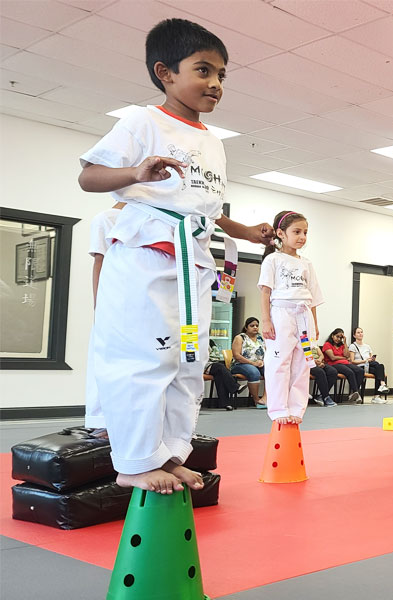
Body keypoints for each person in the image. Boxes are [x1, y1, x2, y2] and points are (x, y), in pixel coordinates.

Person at [78, 18, 273, 494]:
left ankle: (170, 453)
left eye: (222, 75)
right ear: (164, 72)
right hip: (148, 258)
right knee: (146, 359)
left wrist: (243, 230)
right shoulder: (143, 121)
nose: (215, 84)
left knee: (187, 361)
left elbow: (202, 208)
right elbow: (87, 177)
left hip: (195, 266)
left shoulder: (213, 142)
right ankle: (134, 460)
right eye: (203, 70)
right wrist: (133, 171)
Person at [259, 211, 323, 424]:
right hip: (281, 314)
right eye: (296, 231)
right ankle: (278, 409)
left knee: (303, 363)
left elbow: (312, 298)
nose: (302, 237)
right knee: (278, 361)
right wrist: (266, 320)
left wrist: (314, 325)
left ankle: (297, 408)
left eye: (305, 232)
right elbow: (265, 292)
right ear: (281, 233)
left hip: (304, 317)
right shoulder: (273, 259)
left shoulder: (307, 263)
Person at [85, 202, 125, 436]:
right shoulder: (108, 219)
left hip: (159, 304)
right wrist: (99, 309)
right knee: (108, 363)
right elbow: (99, 262)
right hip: (116, 304)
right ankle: (104, 423)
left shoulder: (169, 217)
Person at [231, 317, 267, 408]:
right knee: (254, 372)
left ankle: (265, 398)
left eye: (257, 326)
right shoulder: (240, 338)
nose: (255, 327)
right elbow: (237, 355)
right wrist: (252, 363)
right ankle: (256, 400)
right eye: (252, 326)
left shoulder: (260, 338)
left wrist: (262, 362)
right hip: (240, 364)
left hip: (258, 364)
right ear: (246, 327)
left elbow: (266, 352)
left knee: (271, 371)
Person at [349, 327, 389, 404]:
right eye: (358, 332)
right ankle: (381, 386)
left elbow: (371, 358)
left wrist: (371, 359)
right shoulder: (353, 346)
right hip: (360, 366)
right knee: (379, 368)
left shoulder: (367, 346)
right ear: (354, 335)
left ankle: (377, 395)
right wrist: (365, 360)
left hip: (369, 365)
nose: (360, 334)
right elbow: (352, 361)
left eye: (361, 332)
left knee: (379, 367)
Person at [322, 329, 363, 403]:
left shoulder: (341, 345)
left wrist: (344, 342)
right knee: (350, 372)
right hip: (333, 364)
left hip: (345, 363)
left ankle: (354, 393)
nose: (338, 339)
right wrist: (344, 358)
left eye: (340, 337)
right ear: (332, 336)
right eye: (337, 336)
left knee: (360, 371)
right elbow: (332, 357)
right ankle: (356, 391)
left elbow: (347, 355)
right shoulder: (327, 344)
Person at [204, 343, 247, 410]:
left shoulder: (210, 342)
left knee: (220, 375)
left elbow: (213, 354)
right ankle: (236, 387)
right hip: (201, 365)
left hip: (211, 363)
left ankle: (225, 403)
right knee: (220, 368)